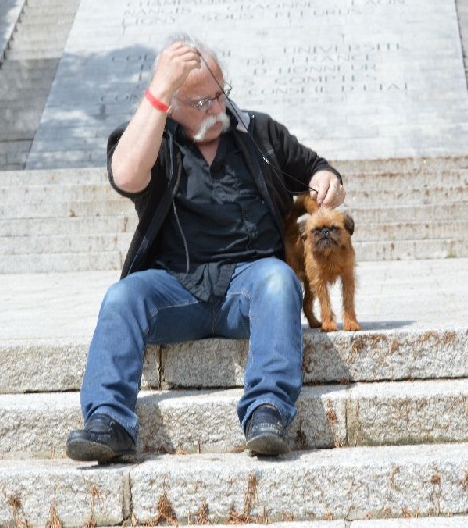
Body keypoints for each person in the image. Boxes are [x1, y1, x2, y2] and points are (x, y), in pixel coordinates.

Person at [66, 34, 346, 463]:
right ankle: (110, 420)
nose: (216, 110)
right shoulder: (151, 139)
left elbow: (317, 169)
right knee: (122, 297)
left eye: (219, 96)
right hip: (174, 288)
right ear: (170, 105)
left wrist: (329, 181)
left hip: (248, 284)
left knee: (278, 279)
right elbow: (125, 176)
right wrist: (158, 88)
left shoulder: (259, 133)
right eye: (200, 103)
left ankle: (267, 411)